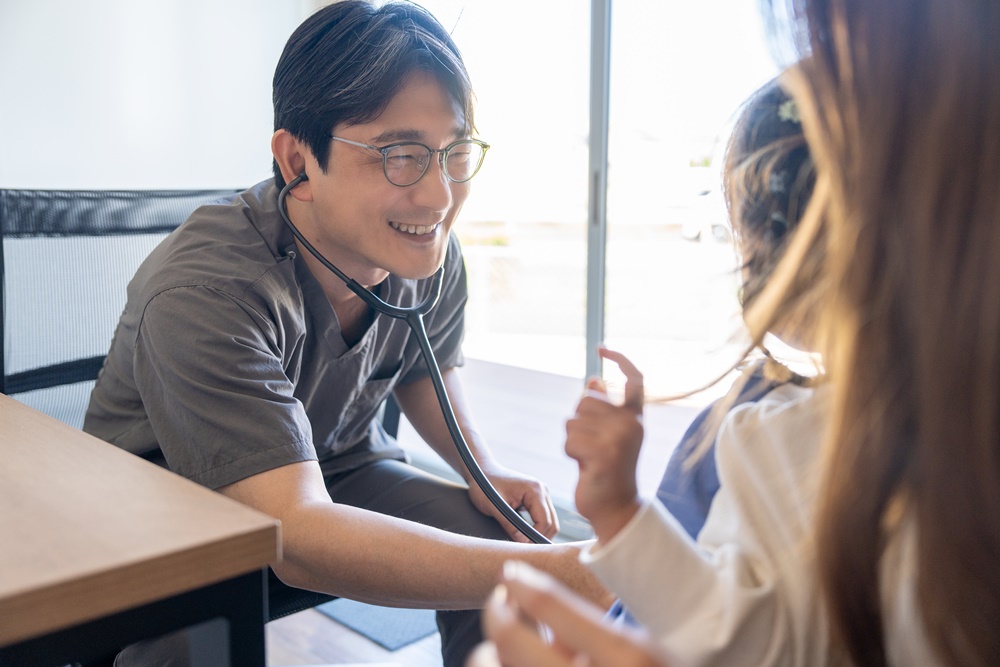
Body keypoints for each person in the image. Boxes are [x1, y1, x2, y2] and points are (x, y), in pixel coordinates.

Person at [470, 0, 1000, 664]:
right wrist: (624, 515)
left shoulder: (778, 440)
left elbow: (745, 636)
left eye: (748, 246)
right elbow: (768, 630)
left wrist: (623, 516)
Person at [83, 2, 608, 666]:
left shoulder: (424, 249)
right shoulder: (206, 288)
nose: (439, 196)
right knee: (196, 638)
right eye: (400, 155)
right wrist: (570, 571)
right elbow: (295, 534)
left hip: (335, 466)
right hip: (174, 512)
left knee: (497, 533)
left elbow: (425, 366)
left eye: (454, 152)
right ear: (297, 160)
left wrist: (483, 469)